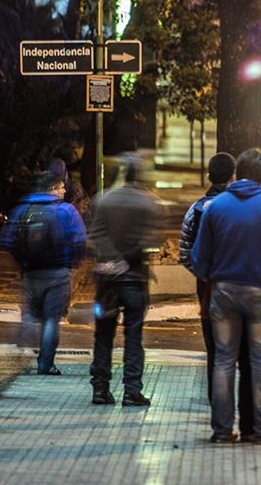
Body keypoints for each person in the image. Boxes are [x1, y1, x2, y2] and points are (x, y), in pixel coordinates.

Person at [191, 148, 261, 444]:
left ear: (237, 173)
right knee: (260, 361)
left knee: (224, 360)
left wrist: (211, 275)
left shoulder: (215, 207)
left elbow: (199, 256)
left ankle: (222, 430)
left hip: (224, 291)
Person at [179, 153, 252, 416]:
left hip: (209, 289)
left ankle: (219, 411)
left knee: (216, 350)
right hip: (244, 286)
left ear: (209, 176)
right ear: (233, 175)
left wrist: (204, 275)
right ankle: (247, 411)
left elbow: (185, 253)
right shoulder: (242, 207)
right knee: (246, 351)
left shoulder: (196, 209)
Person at [88, 155, 161, 406]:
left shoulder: (103, 200)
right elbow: (149, 241)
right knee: (133, 335)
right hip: (134, 278)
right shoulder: (148, 203)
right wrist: (127, 260)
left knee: (103, 335)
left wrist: (112, 259)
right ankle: (132, 390)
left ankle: (100, 388)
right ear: (139, 175)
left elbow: (96, 234)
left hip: (106, 279)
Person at [0, 172, 86, 375]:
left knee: (30, 315)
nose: (64, 190)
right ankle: (45, 364)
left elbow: (8, 241)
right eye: (61, 187)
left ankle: (22, 353)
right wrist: (71, 264)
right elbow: (79, 240)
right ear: (53, 188)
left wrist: (23, 264)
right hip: (58, 273)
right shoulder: (66, 211)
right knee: (51, 319)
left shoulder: (23, 209)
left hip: (31, 273)